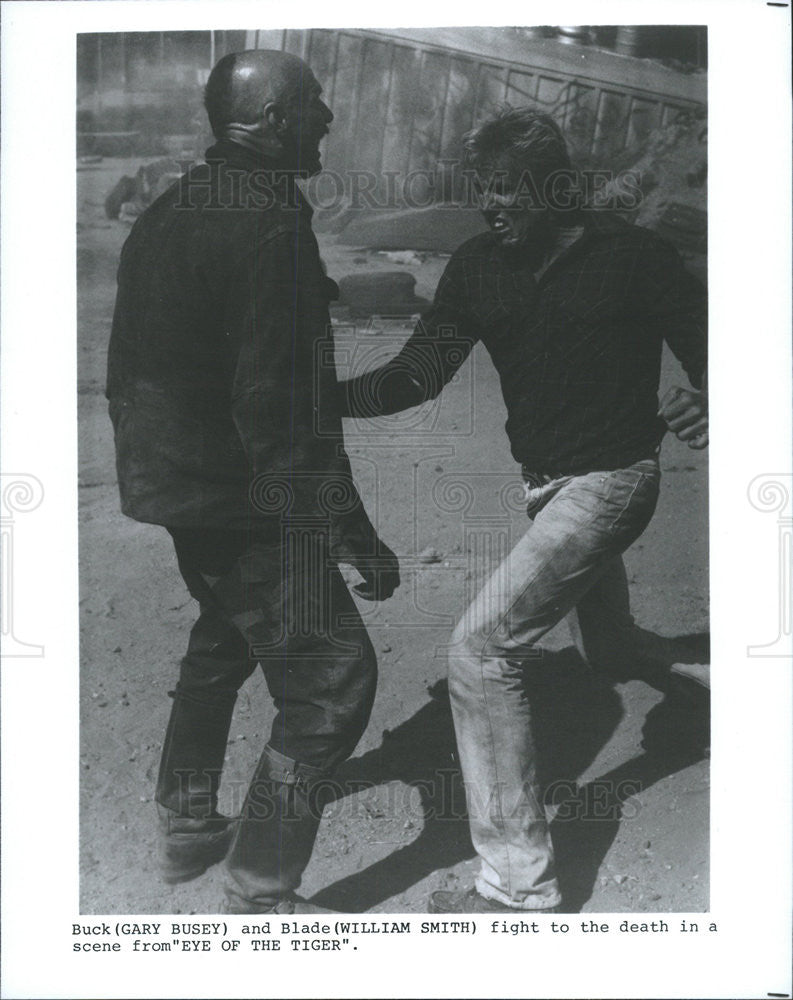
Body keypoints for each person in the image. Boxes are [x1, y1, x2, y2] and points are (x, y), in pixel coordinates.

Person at [342, 106, 708, 913]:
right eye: (482, 190)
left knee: (480, 653)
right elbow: (418, 374)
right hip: (545, 488)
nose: (489, 206)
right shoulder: (478, 265)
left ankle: (517, 887)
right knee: (608, 648)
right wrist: (323, 398)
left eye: (505, 190)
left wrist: (709, 395)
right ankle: (732, 687)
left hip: (614, 482)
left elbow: (724, 341)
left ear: (555, 187)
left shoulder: (636, 258)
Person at [106, 49, 399, 915]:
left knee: (226, 638)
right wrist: (347, 532)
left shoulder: (175, 204)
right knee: (331, 686)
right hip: (243, 495)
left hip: (175, 485)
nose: (328, 118)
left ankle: (188, 821)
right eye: (314, 104)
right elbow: (287, 408)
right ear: (272, 121)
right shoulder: (269, 222)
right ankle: (260, 891)